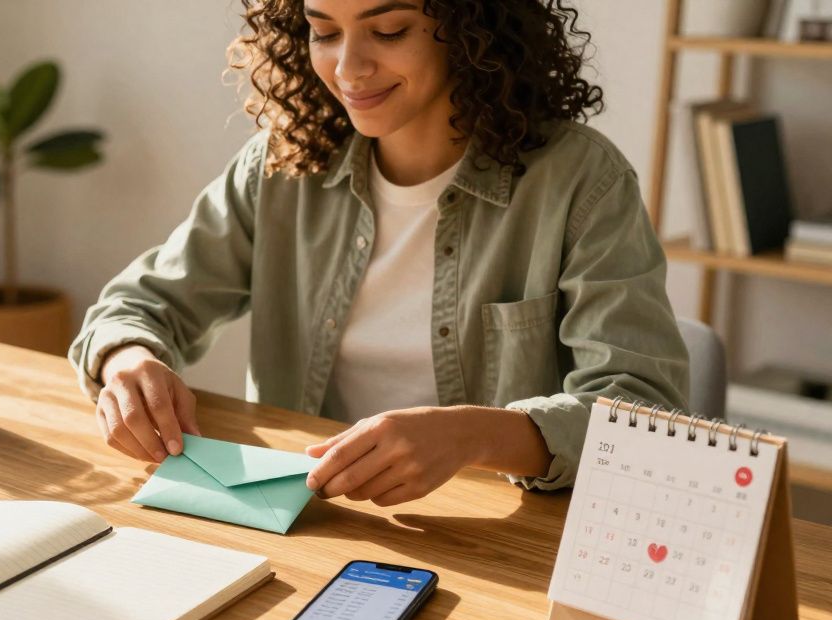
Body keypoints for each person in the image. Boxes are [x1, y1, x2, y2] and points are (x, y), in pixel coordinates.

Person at [69, 0, 688, 508]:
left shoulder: (580, 181)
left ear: (472, 28)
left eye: (389, 30)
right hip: (309, 519)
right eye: (323, 32)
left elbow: (644, 411)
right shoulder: (284, 165)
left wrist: (475, 435)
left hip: (503, 541)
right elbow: (141, 303)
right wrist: (128, 360)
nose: (349, 68)